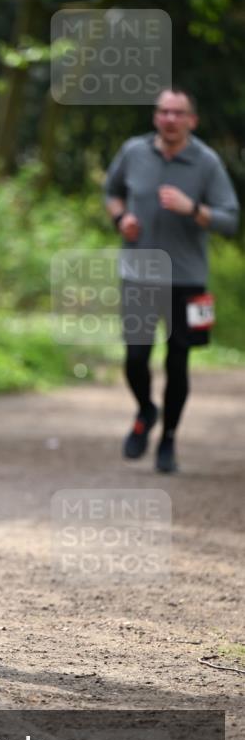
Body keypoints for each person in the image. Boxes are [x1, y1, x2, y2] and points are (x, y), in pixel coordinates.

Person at [105, 88, 239, 473]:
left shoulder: (207, 162)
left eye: (178, 113)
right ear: (155, 117)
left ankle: (168, 441)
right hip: (138, 274)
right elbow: (112, 192)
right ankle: (147, 410)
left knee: (178, 363)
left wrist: (193, 209)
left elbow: (230, 219)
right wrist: (120, 220)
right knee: (135, 358)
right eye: (163, 111)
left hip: (187, 280)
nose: (169, 119)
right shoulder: (133, 152)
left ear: (191, 120)